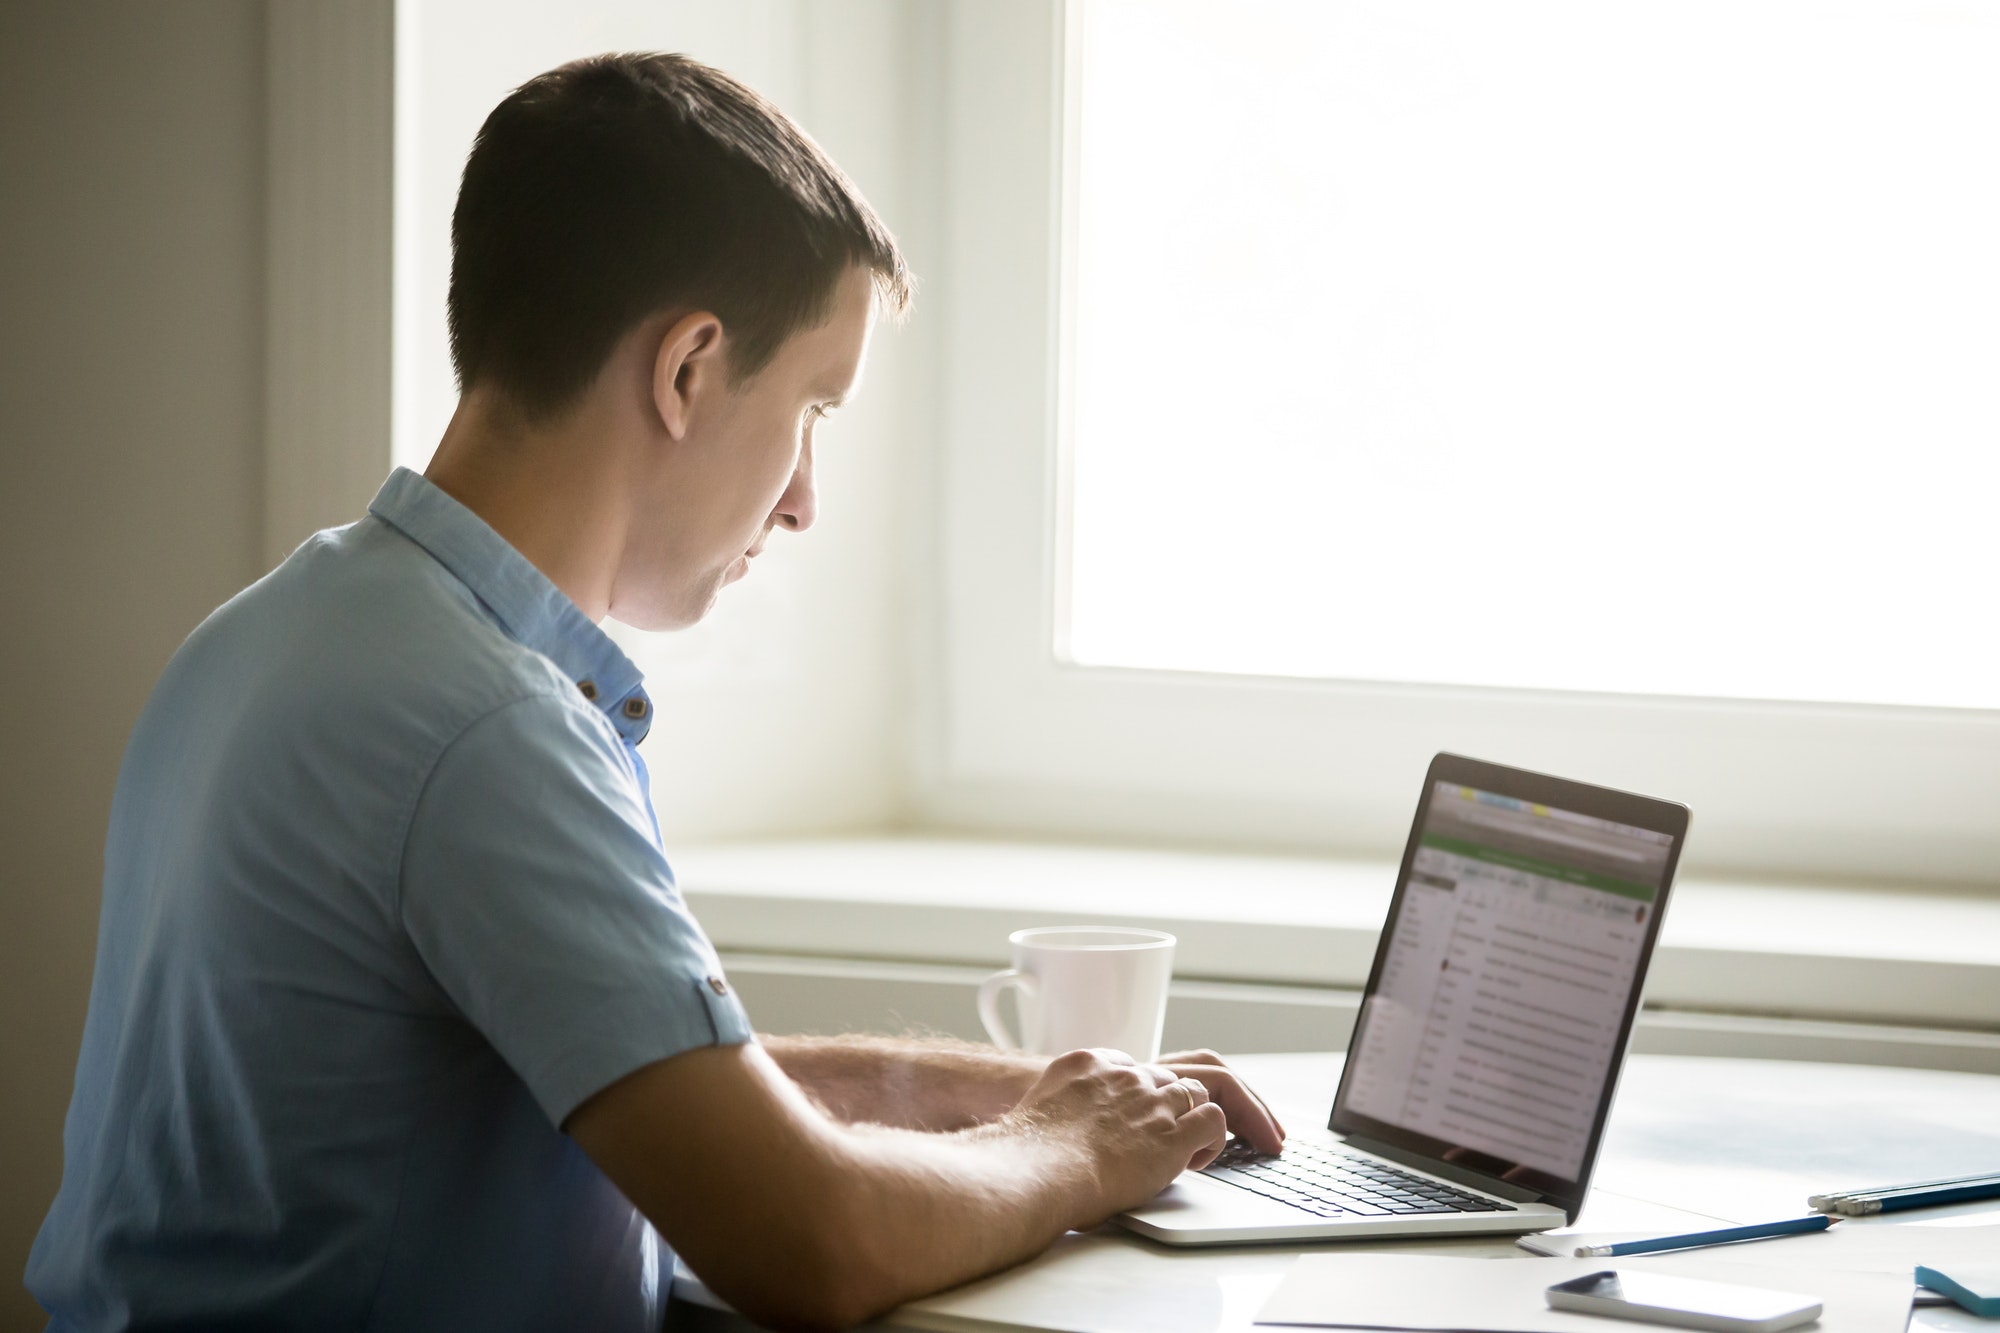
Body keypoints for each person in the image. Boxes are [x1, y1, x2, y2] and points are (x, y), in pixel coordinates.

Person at [26, 51, 1285, 1333]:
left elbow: (650, 1085)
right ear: (686, 370)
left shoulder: (281, 635)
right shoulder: (486, 731)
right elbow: (809, 1243)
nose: (802, 501)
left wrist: (1040, 1095)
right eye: (811, 410)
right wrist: (1071, 1153)